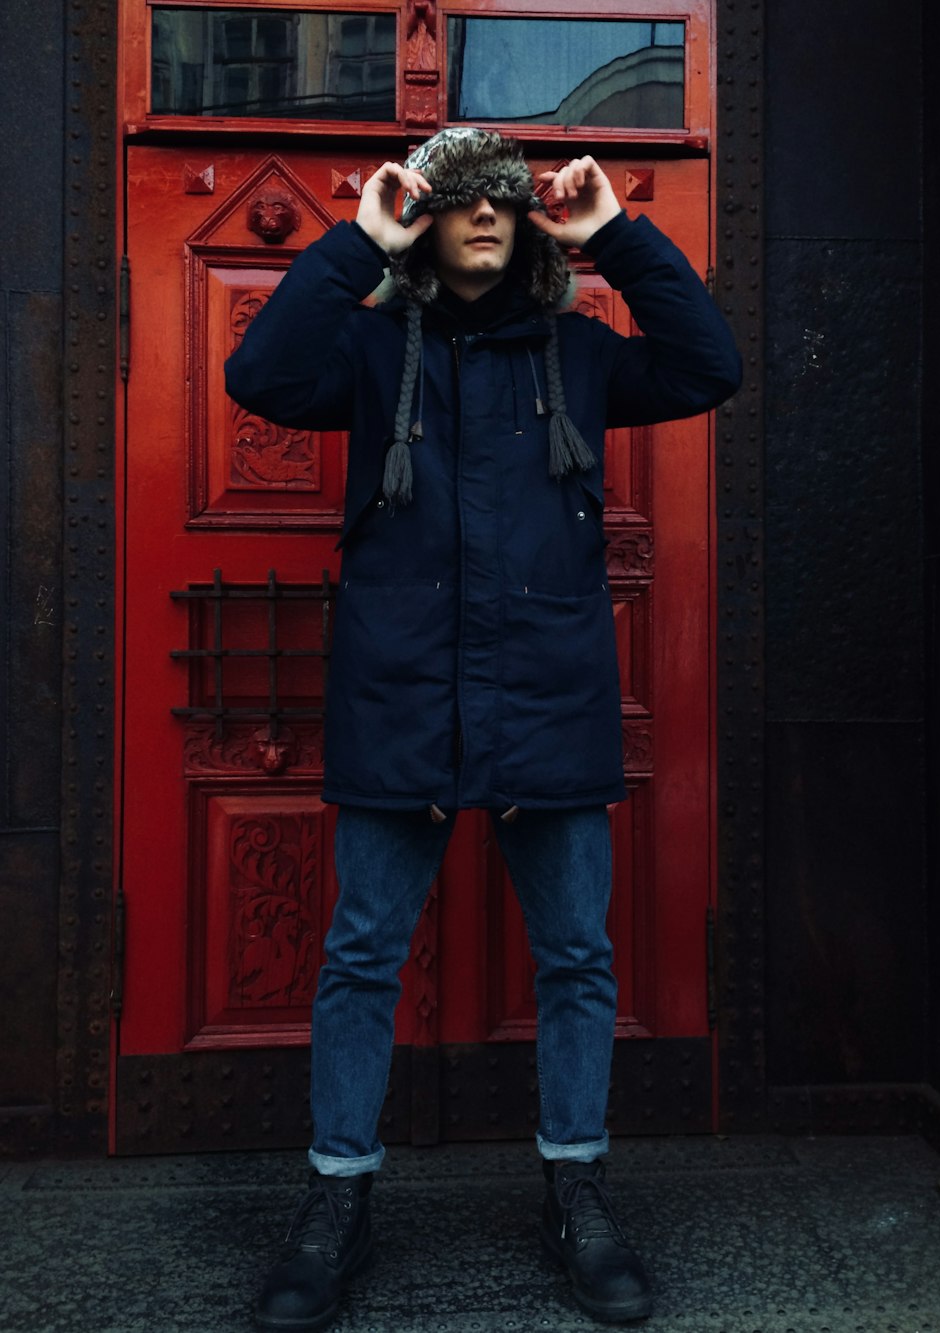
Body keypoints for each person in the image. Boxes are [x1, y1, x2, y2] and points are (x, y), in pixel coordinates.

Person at [225, 128, 741, 1331]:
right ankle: (337, 1201)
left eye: (502, 202)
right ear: (427, 222)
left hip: (546, 700)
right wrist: (361, 238)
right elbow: (258, 379)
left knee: (576, 957)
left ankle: (575, 1188)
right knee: (360, 958)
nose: (483, 217)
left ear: (528, 226)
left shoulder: (579, 353)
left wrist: (614, 232)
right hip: (399, 696)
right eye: (458, 200)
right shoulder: (363, 344)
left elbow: (709, 365)